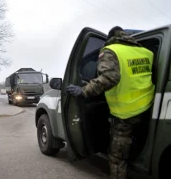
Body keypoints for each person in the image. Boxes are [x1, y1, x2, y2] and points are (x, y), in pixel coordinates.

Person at [66, 26, 155, 179]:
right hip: (148, 106)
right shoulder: (147, 52)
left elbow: (109, 78)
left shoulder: (111, 50)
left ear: (110, 38)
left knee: (116, 157)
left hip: (125, 113)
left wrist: (83, 91)